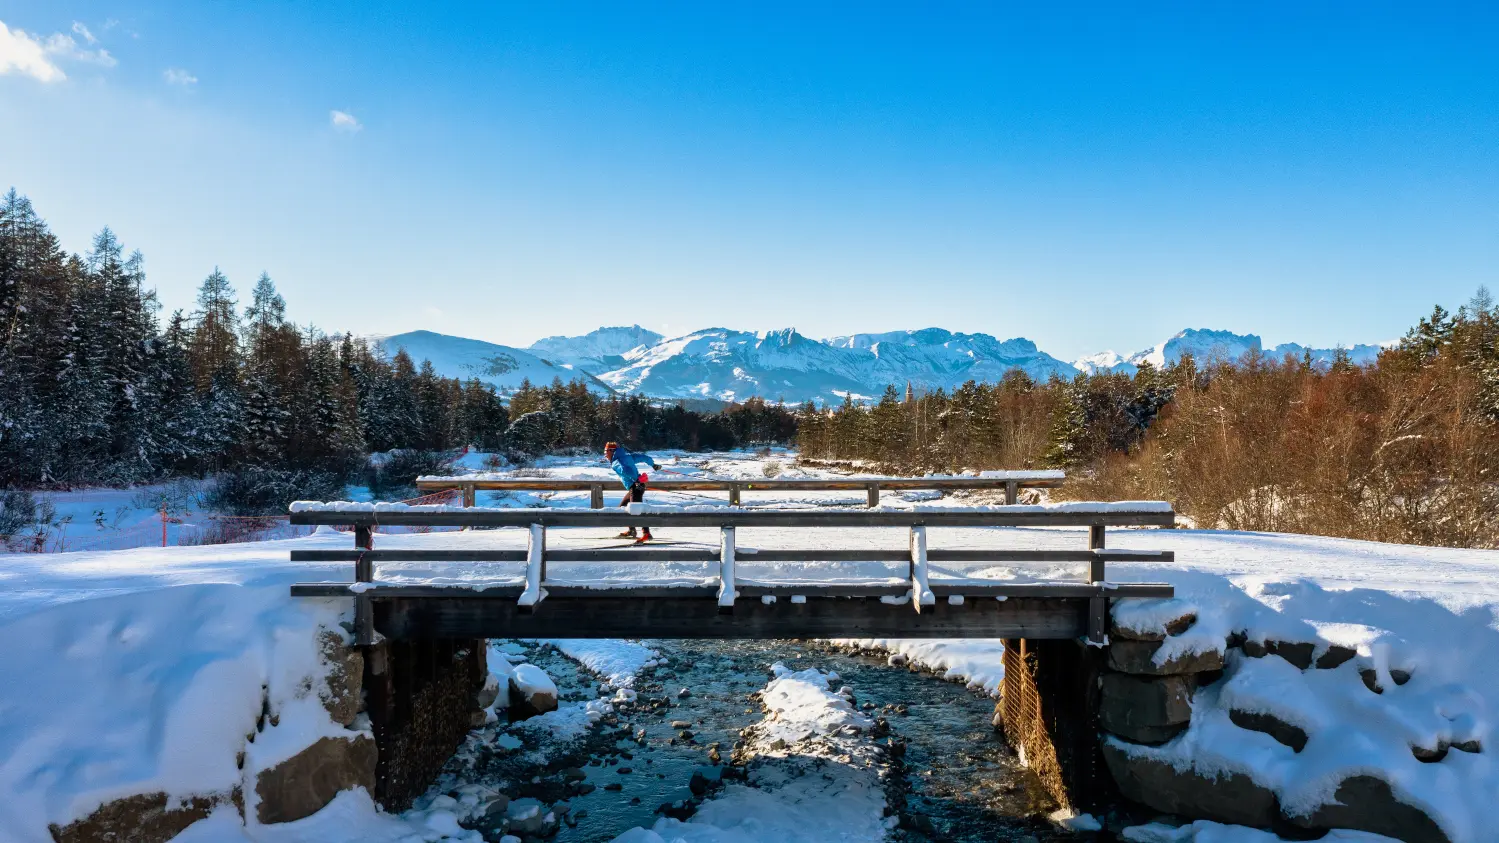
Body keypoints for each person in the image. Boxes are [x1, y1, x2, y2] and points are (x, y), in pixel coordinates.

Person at [604, 441, 659, 542]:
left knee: (637, 510)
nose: (605, 454)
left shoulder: (616, 462)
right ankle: (632, 530)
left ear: (612, 451)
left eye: (606, 451)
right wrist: (653, 464)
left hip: (636, 486)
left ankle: (646, 533)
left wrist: (636, 479)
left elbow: (625, 470)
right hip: (635, 485)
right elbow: (643, 457)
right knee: (624, 507)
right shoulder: (627, 456)